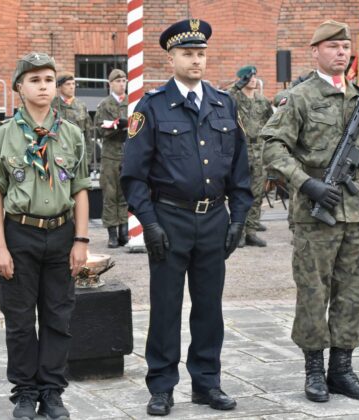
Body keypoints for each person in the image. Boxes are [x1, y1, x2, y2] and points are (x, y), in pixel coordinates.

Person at [120, 18, 253, 416]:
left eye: (201, 54)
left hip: (213, 218)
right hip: (170, 218)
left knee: (209, 307)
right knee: (165, 306)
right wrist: (150, 223)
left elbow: (241, 170)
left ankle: (206, 383)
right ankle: (161, 386)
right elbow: (133, 175)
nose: (196, 61)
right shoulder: (152, 106)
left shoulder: (223, 102)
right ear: (171, 57)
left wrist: (237, 219)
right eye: (188, 54)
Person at [261, 20, 359, 403]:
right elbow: (271, 147)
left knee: (352, 294)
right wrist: (306, 182)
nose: (341, 52)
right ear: (315, 51)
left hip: (358, 212)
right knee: (314, 293)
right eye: (333, 46)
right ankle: (314, 370)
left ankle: (342, 370)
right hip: (315, 213)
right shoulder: (298, 97)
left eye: (345, 47)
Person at [0, 52, 90, 420]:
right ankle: (25, 392)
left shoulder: (72, 134)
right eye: (34, 80)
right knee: (20, 319)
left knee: (59, 317)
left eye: (48, 79)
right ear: (19, 87)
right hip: (19, 233)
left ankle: (52, 392)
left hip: (61, 233)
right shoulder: (2, 135)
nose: (43, 86)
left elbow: (80, 189)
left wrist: (81, 241)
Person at [228, 65, 273, 247]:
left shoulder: (262, 102)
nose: (253, 80)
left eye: (254, 76)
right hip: (241, 150)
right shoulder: (234, 98)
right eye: (248, 77)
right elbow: (224, 97)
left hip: (258, 149)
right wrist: (238, 85)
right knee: (239, 191)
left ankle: (251, 231)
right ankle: (238, 231)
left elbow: (272, 123)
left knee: (257, 193)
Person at [94, 69, 129, 248]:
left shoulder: (132, 102)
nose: (122, 84)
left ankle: (124, 230)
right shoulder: (105, 105)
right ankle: (112, 233)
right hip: (110, 155)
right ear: (111, 84)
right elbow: (99, 129)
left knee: (124, 193)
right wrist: (116, 126)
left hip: (127, 154)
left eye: (124, 80)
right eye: (118, 81)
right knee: (110, 194)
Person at [51, 72, 94, 167]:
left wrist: (88, 159)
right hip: (58, 155)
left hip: (78, 155)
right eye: (68, 84)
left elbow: (88, 135)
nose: (72, 87)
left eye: (73, 84)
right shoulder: (52, 105)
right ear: (59, 87)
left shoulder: (81, 106)